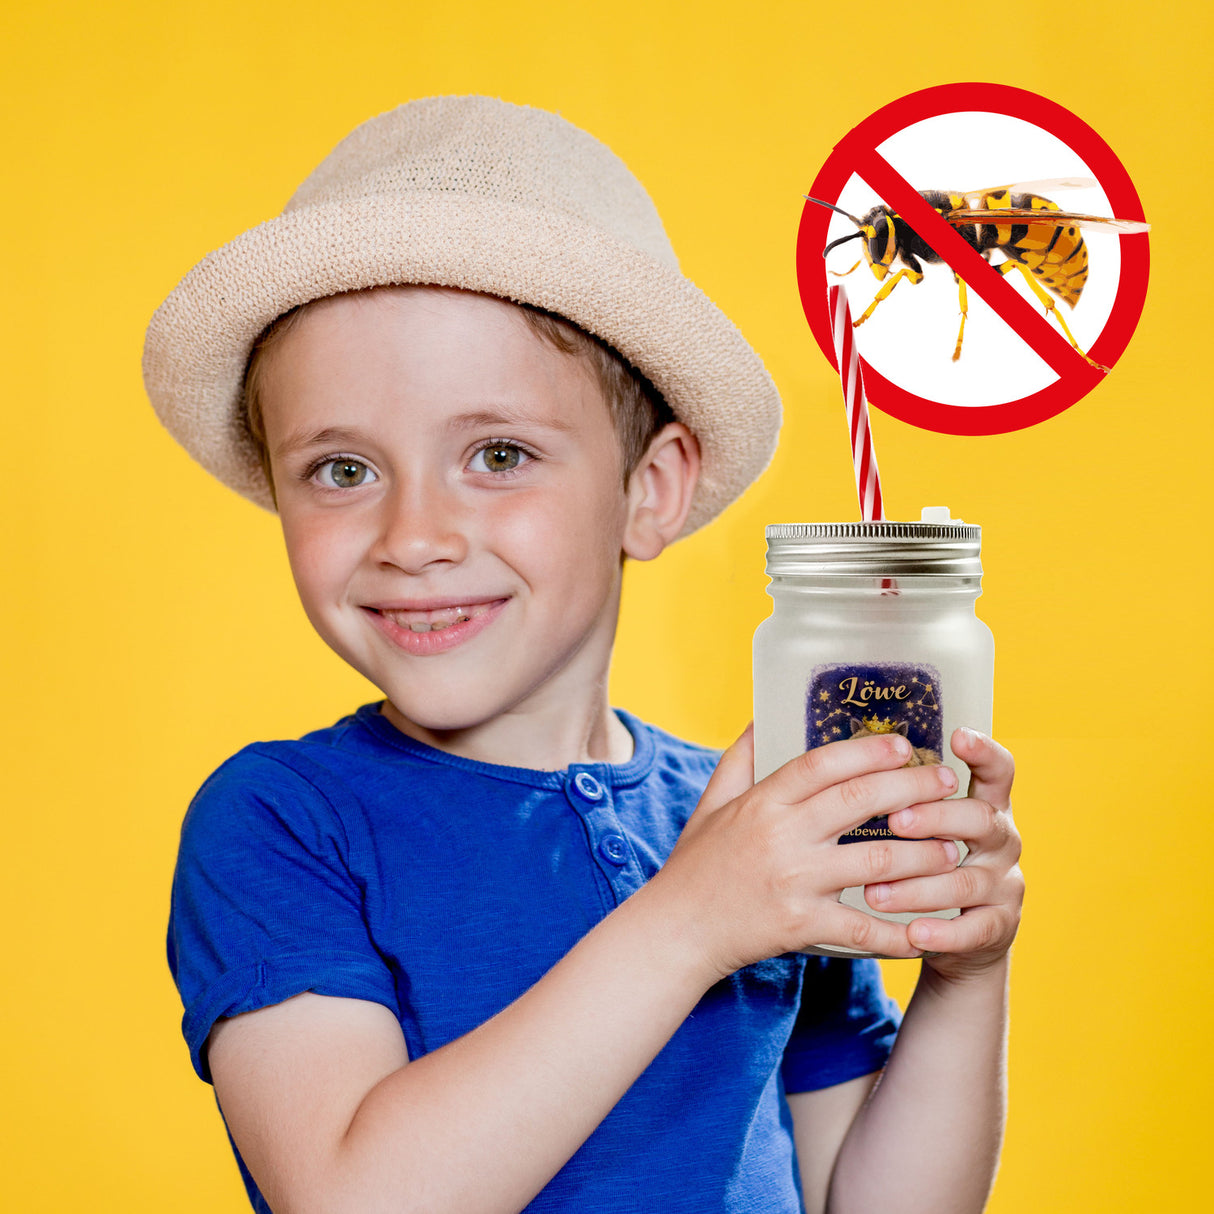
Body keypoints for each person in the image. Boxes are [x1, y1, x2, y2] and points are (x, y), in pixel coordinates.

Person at [146, 96, 1023, 1214]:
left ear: (648, 490)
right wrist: (695, 919)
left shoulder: (748, 826)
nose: (414, 536)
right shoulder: (282, 821)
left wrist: (964, 971)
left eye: (498, 454)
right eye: (343, 470)